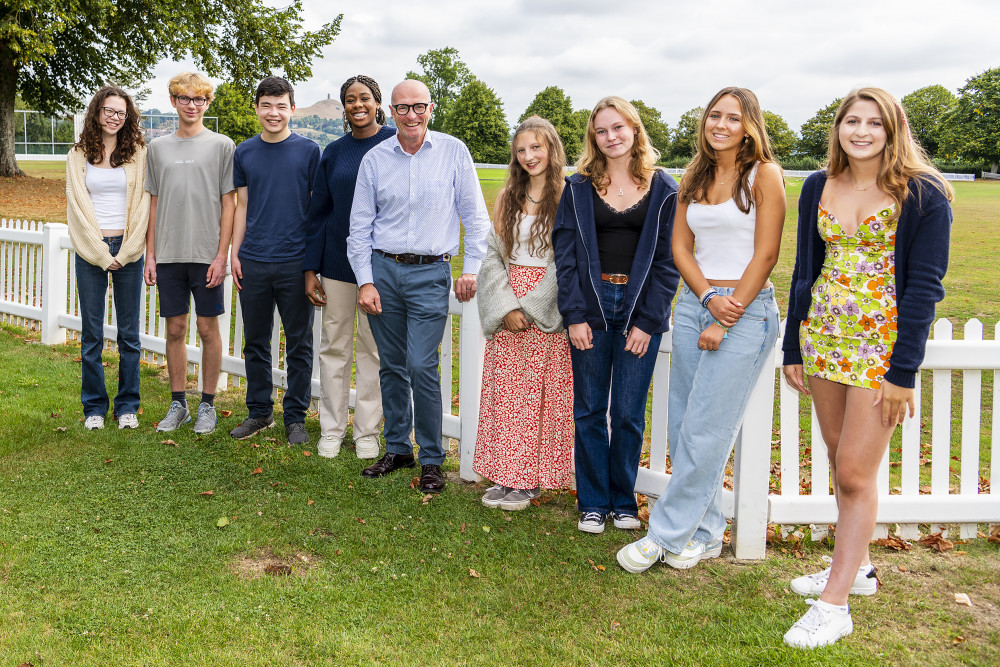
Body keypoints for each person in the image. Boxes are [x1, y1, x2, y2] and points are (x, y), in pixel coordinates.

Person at [780, 87, 953, 649]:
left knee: (855, 472)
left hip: (880, 350)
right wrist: (793, 347)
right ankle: (859, 569)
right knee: (838, 459)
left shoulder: (924, 194)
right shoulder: (816, 186)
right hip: (825, 338)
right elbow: (807, 269)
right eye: (851, 120)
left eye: (873, 123)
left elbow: (925, 288)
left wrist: (903, 373)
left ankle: (835, 603)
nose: (861, 131)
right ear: (838, 128)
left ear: (892, 130)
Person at [616, 88, 784, 570]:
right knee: (686, 427)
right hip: (693, 304)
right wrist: (707, 298)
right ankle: (706, 533)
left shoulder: (764, 175)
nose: (722, 124)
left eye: (734, 117)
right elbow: (681, 249)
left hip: (745, 309)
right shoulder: (694, 175)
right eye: (715, 115)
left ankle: (665, 533)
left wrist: (727, 310)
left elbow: (766, 253)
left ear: (750, 125)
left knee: (707, 431)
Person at [347, 79, 490, 493]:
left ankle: (431, 457)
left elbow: (476, 217)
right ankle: (398, 447)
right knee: (390, 365)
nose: (411, 115)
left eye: (419, 107)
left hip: (431, 272)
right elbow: (359, 228)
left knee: (421, 366)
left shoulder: (453, 152)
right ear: (390, 112)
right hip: (383, 271)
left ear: (431, 108)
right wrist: (366, 280)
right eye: (402, 108)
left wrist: (472, 268)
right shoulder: (375, 160)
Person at [553, 96, 680, 534]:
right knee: (590, 408)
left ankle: (624, 501)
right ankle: (592, 500)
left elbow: (669, 261)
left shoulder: (664, 189)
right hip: (590, 304)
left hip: (637, 308)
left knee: (627, 411)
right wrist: (573, 314)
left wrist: (648, 321)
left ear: (635, 131)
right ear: (594, 138)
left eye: (618, 128)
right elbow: (565, 257)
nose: (611, 137)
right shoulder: (579, 187)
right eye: (601, 131)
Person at [474, 117, 573, 511]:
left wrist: (530, 307)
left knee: (537, 400)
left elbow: (565, 261)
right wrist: (506, 306)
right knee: (507, 397)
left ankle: (528, 480)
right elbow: (493, 257)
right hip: (508, 300)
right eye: (521, 150)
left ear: (551, 148)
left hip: (544, 306)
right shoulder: (508, 197)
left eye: (536, 147)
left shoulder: (569, 196)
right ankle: (505, 473)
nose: (529, 156)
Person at [304, 75, 394, 459]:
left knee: (373, 352)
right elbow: (318, 213)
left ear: (377, 103)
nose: (358, 105)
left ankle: (367, 432)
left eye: (365, 99)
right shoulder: (335, 152)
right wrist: (311, 268)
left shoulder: (394, 143)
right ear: (344, 107)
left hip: (379, 267)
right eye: (350, 100)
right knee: (334, 348)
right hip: (336, 267)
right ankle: (331, 428)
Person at [228, 76, 320, 445]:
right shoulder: (244, 152)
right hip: (254, 260)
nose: (273, 112)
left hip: (295, 262)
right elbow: (242, 206)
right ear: (256, 108)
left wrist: (311, 263)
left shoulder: (309, 151)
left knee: (299, 343)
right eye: (266, 105)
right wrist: (235, 253)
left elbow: (315, 210)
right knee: (256, 341)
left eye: (281, 105)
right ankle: (259, 412)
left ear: (292, 109)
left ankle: (295, 417)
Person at [144, 72, 235, 435]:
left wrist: (221, 256)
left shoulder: (222, 146)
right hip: (168, 254)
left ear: (207, 103)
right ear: (173, 102)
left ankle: (208, 405)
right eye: (185, 98)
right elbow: (152, 204)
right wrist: (150, 255)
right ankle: (178, 403)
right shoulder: (158, 148)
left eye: (199, 100)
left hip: (206, 254)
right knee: (176, 328)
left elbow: (229, 204)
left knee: (207, 328)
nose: (192, 105)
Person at [66, 86, 150, 430]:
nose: (114, 118)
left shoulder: (139, 153)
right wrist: (102, 253)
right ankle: (95, 408)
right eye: (108, 111)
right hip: (91, 252)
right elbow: (77, 207)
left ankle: (127, 405)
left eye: (121, 112)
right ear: (96, 112)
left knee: (129, 335)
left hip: (129, 249)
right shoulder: (78, 154)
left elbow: (144, 203)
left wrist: (127, 251)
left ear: (127, 116)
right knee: (92, 335)